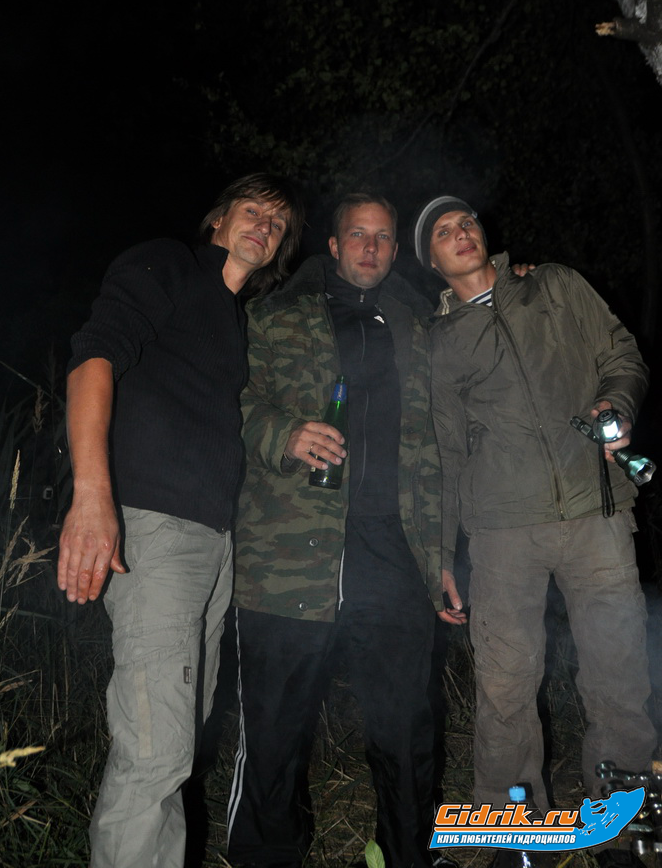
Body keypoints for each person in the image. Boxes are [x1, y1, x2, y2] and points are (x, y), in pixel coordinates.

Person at [57, 173, 304, 868]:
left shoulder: (233, 317)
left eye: (278, 224)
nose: (264, 226)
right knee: (155, 753)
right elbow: (92, 361)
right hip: (154, 528)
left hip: (211, 543)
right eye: (252, 210)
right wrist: (92, 497)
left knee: (177, 744)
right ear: (218, 219)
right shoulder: (166, 262)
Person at [413, 195, 656, 865]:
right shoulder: (437, 342)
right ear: (431, 260)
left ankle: (626, 829)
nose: (461, 233)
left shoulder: (554, 285)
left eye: (466, 221)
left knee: (618, 674)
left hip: (596, 512)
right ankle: (516, 835)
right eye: (443, 232)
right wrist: (442, 553)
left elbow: (623, 355)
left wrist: (616, 401)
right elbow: (443, 451)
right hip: (501, 533)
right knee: (504, 688)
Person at [227, 193, 466, 868]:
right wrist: (282, 432)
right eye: (357, 234)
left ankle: (408, 855)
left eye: (383, 237)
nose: (370, 246)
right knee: (274, 727)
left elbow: (435, 447)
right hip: (288, 550)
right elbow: (229, 397)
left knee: (405, 725)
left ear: (394, 250)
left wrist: (437, 557)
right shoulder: (273, 316)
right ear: (332, 246)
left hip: (391, 551)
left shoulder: (419, 328)